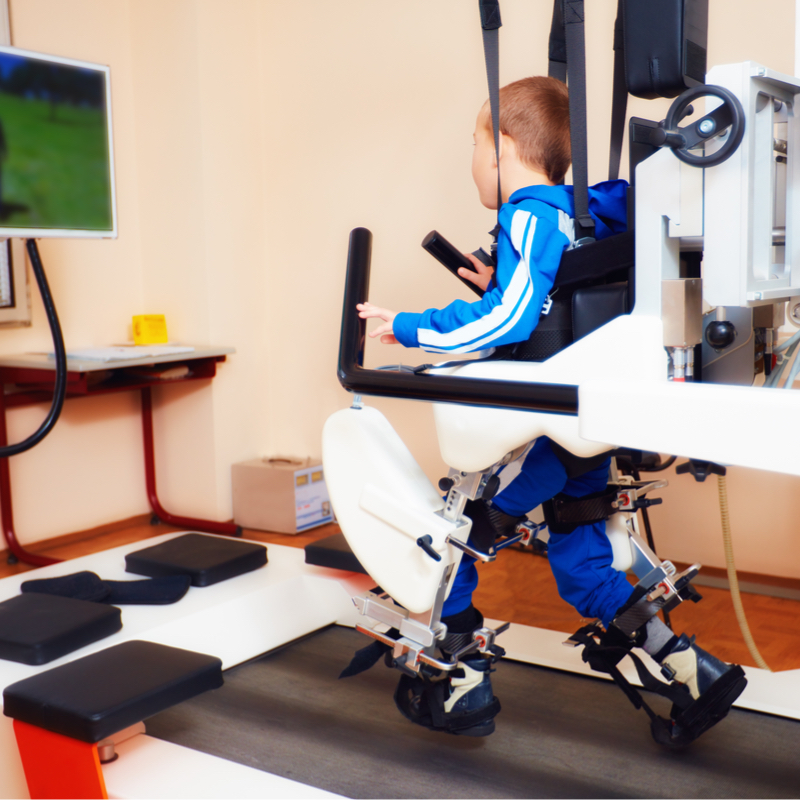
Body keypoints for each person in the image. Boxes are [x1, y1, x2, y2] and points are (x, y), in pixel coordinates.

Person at [355, 76, 745, 744]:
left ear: (502, 149)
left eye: (475, 145)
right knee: (579, 554)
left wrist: (412, 327)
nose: (473, 161)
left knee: (459, 532)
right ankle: (689, 670)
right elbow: (544, 297)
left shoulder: (529, 211)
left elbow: (505, 317)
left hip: (548, 420)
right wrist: (501, 281)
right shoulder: (582, 210)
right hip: (585, 425)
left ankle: (461, 684)